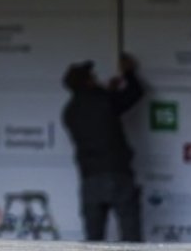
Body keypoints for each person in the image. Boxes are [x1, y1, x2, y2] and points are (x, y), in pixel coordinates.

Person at [62, 54, 144, 241]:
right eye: (93, 77)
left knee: (93, 239)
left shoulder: (69, 111)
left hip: (90, 178)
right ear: (88, 82)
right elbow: (135, 93)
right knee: (132, 239)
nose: (97, 79)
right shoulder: (104, 100)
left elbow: (94, 116)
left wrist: (107, 92)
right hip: (118, 174)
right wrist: (129, 73)